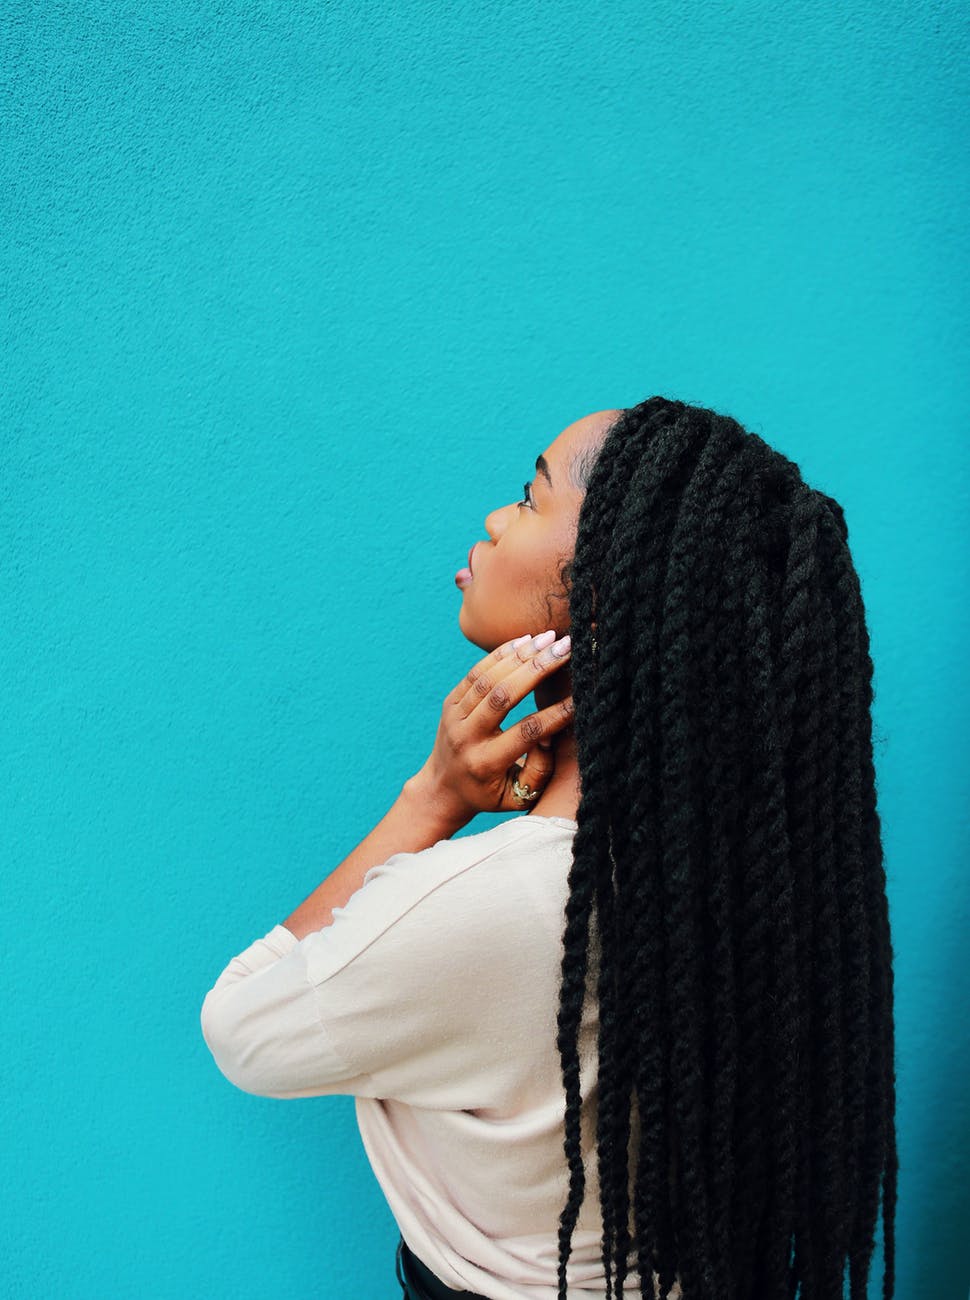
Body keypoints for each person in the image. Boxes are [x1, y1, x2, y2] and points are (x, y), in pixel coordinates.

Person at [200, 396, 897, 1300]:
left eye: (530, 498)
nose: (496, 519)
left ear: (600, 593)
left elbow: (241, 1027)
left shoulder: (489, 905)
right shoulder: (757, 872)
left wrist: (432, 800)